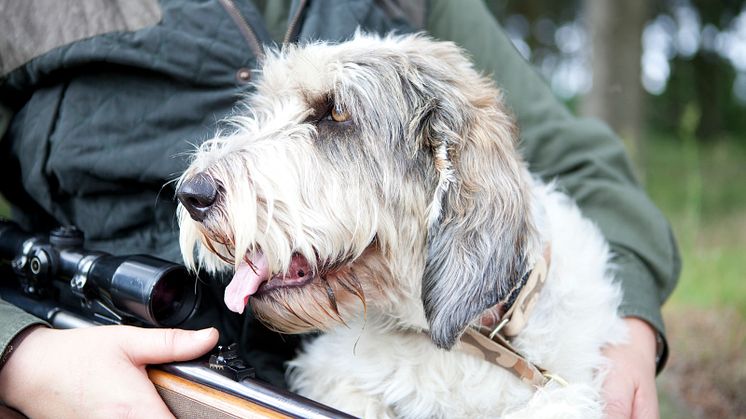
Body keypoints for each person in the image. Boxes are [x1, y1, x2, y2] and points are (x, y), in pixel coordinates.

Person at [0, 0, 679, 417]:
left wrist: (631, 330)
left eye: (329, 118)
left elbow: (572, 160)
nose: (201, 180)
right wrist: (19, 356)